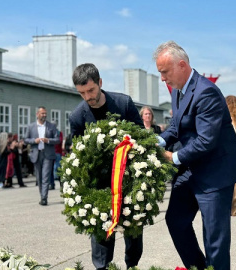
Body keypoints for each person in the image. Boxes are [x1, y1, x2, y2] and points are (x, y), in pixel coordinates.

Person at [154, 41, 236, 270]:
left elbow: (206, 140)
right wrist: (155, 141)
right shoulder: (178, 90)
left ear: (181, 65)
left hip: (214, 174)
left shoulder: (207, 92)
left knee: (215, 240)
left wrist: (171, 158)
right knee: (176, 221)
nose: (162, 78)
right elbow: (176, 126)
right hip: (191, 170)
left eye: (165, 72)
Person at [70, 63, 144, 270]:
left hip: (128, 178)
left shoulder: (123, 104)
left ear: (100, 83)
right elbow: (78, 155)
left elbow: (141, 138)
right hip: (99, 183)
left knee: (133, 229)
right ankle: (102, 267)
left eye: (91, 90)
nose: (88, 97)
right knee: (101, 229)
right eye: (82, 93)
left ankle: (133, 265)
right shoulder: (77, 117)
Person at [24, 107, 60, 206]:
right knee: (39, 177)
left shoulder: (51, 126)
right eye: (42, 113)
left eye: (45, 113)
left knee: (46, 176)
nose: (44, 115)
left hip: (48, 154)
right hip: (36, 153)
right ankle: (42, 195)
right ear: (37, 114)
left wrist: (48, 140)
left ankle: (44, 198)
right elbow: (25, 140)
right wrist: (33, 141)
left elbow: (58, 139)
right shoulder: (31, 126)